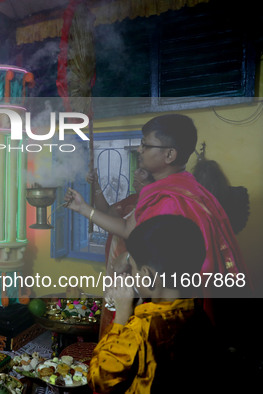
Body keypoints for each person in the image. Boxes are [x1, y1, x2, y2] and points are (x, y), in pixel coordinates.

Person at [65, 114, 247, 292]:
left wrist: (127, 259)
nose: (139, 150)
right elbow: (127, 227)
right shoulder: (177, 188)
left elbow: (159, 258)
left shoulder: (170, 200)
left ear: (169, 154)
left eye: (145, 144)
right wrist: (82, 207)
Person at [88, 215, 219, 394]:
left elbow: (100, 380)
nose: (131, 274)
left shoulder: (139, 328)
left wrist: (121, 317)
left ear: (148, 276)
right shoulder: (198, 313)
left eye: (133, 268)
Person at [87, 167, 154, 339]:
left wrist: (82, 208)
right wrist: (96, 186)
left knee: (128, 315)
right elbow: (106, 212)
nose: (136, 172)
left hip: (134, 270)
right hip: (116, 264)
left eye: (142, 171)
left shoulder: (155, 204)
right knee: (112, 306)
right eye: (137, 169)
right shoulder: (132, 199)